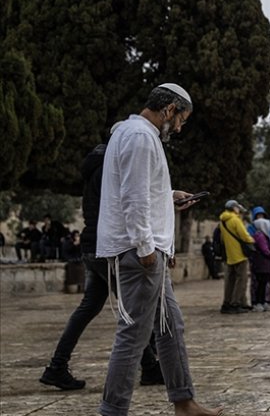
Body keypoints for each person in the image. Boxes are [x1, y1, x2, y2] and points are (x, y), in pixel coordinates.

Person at [95, 83, 221, 416]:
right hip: (140, 255)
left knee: (170, 328)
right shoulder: (139, 137)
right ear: (168, 109)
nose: (179, 127)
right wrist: (146, 248)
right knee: (134, 336)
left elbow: (143, 194)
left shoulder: (136, 134)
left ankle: (184, 401)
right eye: (180, 119)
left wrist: (169, 197)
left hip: (152, 252)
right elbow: (133, 199)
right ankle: (112, 411)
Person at [39, 143, 163, 392]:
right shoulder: (112, 170)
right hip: (109, 248)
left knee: (90, 308)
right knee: (135, 309)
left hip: (91, 246)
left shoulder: (93, 170)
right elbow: (128, 207)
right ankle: (149, 368)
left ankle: (57, 366)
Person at [219, 200, 254, 314]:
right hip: (239, 254)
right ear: (234, 208)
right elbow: (244, 235)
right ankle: (236, 303)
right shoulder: (235, 219)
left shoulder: (222, 221)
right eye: (237, 208)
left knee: (230, 281)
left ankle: (228, 302)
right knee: (241, 280)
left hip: (230, 254)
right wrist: (252, 241)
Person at [250, 218, 270, 312]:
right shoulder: (260, 236)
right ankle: (258, 303)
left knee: (263, 284)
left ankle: (263, 302)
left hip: (264, 265)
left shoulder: (264, 236)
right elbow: (265, 251)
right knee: (260, 284)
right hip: (261, 265)